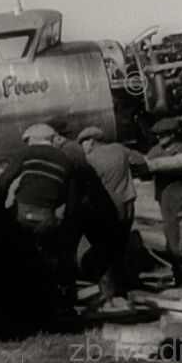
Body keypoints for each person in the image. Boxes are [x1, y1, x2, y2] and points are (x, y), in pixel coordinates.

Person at [0, 123, 79, 312]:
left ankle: (21, 307)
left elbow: (4, 180)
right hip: (47, 217)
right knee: (48, 260)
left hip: (21, 214)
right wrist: (65, 225)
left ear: (33, 140)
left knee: (18, 258)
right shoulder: (67, 161)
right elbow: (72, 200)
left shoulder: (27, 153)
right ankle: (53, 305)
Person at [77, 126, 142, 300]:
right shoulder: (120, 149)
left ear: (91, 141)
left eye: (82, 142)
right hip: (128, 207)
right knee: (120, 247)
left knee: (103, 251)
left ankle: (108, 295)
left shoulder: (89, 160)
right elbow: (140, 161)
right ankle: (123, 289)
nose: (81, 146)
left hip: (106, 211)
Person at [146, 117, 182, 288]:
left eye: (164, 135)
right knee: (172, 244)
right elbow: (146, 172)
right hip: (166, 202)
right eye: (158, 135)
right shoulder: (155, 152)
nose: (160, 138)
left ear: (174, 134)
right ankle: (179, 282)